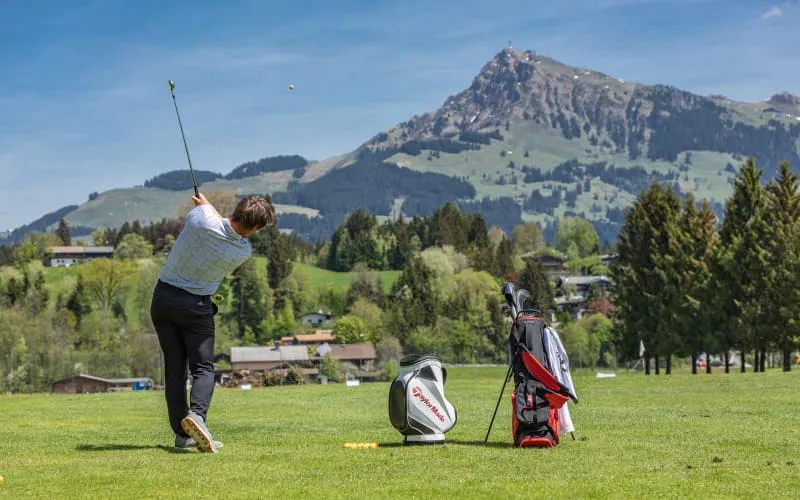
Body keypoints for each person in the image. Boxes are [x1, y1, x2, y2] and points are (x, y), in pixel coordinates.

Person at [150, 192, 274, 452]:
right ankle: (197, 416)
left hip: (162, 299)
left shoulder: (200, 217)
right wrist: (209, 207)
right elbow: (227, 231)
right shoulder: (242, 251)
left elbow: (213, 221)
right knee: (203, 367)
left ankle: (182, 436)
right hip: (195, 306)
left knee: (175, 370)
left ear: (237, 209)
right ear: (254, 227)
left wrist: (206, 205)